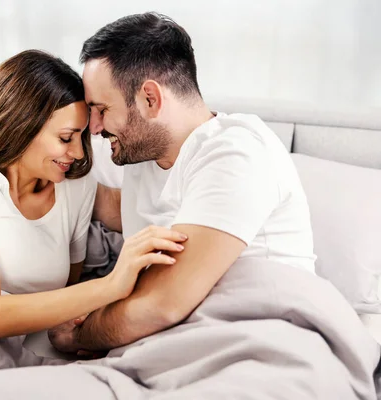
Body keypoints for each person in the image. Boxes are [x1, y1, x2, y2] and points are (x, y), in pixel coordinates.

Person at [48, 12, 316, 354]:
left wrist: (80, 334)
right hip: (169, 342)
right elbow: (124, 206)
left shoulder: (236, 152)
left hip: (255, 334)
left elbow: (163, 303)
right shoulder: (144, 153)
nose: (95, 128)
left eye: (101, 109)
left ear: (150, 99)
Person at [0, 50, 186, 344]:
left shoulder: (74, 187)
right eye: (66, 138)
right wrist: (112, 285)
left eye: (82, 138)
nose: (79, 153)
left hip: (28, 350)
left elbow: (67, 298)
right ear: (21, 125)